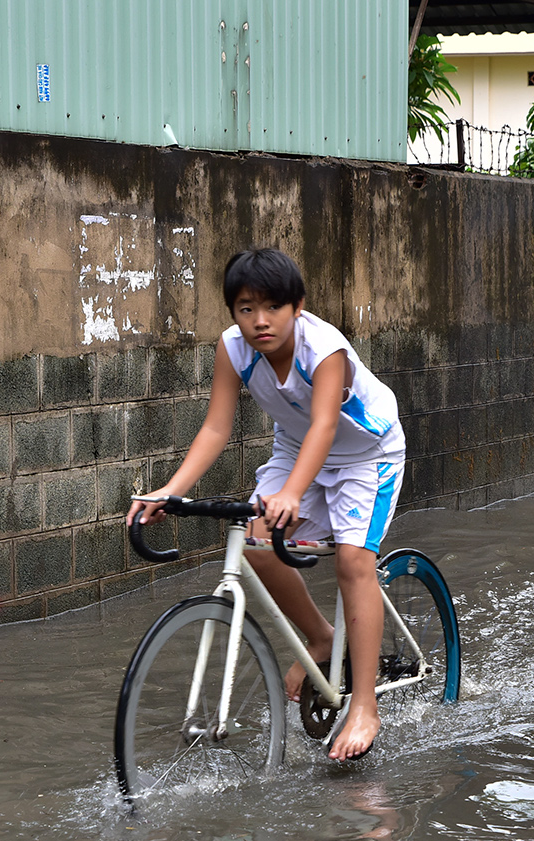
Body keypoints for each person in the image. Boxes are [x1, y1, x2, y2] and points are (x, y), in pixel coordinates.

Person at [127, 248, 405, 762]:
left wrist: (293, 493)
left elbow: (325, 423)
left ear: (297, 306)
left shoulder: (324, 349)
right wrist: (170, 489)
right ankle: (322, 638)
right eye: (245, 308)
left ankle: (365, 705)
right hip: (298, 451)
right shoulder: (233, 350)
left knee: (352, 562)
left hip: (369, 454)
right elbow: (216, 426)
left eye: (272, 307)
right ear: (232, 311)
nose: (259, 321)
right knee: (252, 543)